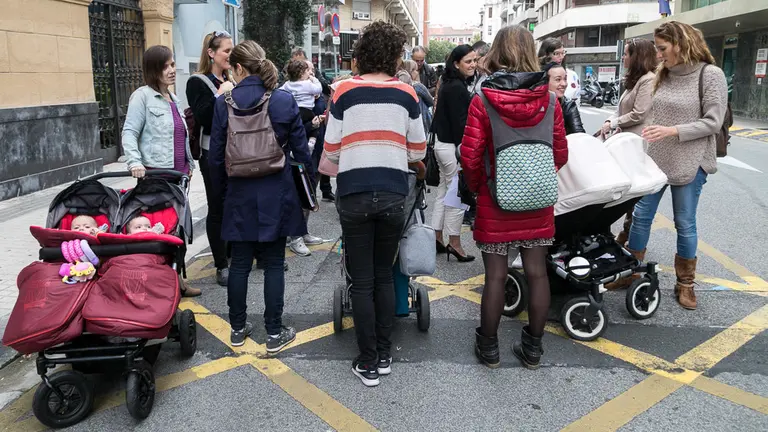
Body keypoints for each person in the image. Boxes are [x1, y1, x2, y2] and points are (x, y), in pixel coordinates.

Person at [325, 21, 426, 387]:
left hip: (353, 194)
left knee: (362, 280)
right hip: (393, 194)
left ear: (362, 53)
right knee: (385, 274)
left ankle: (367, 361)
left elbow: (332, 151)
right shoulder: (407, 94)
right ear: (395, 54)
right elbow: (417, 150)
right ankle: (384, 354)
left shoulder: (342, 92)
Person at [461, 25, 568, 369]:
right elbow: (561, 154)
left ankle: (489, 347)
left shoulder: (483, 98)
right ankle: (533, 349)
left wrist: (481, 188)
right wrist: (534, 176)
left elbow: (471, 155)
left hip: (496, 199)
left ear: (497, 52)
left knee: (495, 276)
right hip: (538, 199)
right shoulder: (550, 100)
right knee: (537, 273)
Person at [209, 40, 315, 350]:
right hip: (276, 191)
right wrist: (306, 183)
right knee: (272, 262)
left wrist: (224, 192)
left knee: (240, 262)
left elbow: (216, 157)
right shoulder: (282, 100)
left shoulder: (222, 103)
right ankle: (273, 332)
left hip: (239, 193)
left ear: (239, 68)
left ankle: (238, 328)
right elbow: (300, 151)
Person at [627, 21, 727, 310]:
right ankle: (632, 271)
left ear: (681, 44)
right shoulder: (664, 73)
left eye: (662, 48)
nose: (658, 55)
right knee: (641, 215)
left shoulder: (711, 75)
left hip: (691, 160)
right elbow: (651, 113)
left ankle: (685, 284)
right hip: (657, 158)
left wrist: (672, 131)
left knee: (684, 223)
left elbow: (713, 122)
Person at [122, 45, 200, 297]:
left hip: (179, 178)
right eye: (165, 66)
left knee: (178, 231)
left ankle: (177, 281)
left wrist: (189, 167)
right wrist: (134, 162)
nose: (172, 71)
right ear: (153, 70)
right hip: (154, 178)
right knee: (156, 233)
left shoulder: (173, 99)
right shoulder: (142, 97)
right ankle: (157, 284)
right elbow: (130, 132)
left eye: (173, 65)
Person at [186, 30, 235, 287]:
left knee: (234, 203)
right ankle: (220, 264)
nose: (230, 54)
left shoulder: (231, 79)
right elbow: (205, 118)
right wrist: (220, 94)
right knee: (217, 206)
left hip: (236, 153)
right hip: (212, 155)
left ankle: (232, 252)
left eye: (231, 50)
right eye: (226, 50)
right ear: (211, 53)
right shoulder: (197, 82)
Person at [601, 38, 657, 248]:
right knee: (625, 192)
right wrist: (609, 121)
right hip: (624, 142)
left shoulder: (649, 80)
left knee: (633, 193)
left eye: (626, 54)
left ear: (637, 56)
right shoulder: (636, 80)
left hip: (636, 144)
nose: (623, 57)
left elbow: (639, 113)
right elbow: (621, 108)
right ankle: (625, 232)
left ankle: (628, 234)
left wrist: (614, 122)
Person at [431, 45, 478, 262]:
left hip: (442, 145)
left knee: (443, 192)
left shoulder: (448, 83)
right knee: (457, 196)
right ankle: (455, 244)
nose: (473, 65)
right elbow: (461, 124)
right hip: (453, 147)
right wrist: (466, 152)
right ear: (456, 63)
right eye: (468, 61)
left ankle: (438, 238)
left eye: (474, 61)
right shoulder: (457, 87)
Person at [281, 59, 326, 257]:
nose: (312, 73)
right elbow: (295, 128)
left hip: (312, 148)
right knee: (299, 188)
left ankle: (303, 231)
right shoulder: (293, 96)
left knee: (310, 187)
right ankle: (295, 236)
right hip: (298, 148)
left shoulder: (300, 90)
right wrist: (313, 125)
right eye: (309, 70)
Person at [400, 59, 433, 134]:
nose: (417, 72)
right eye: (414, 70)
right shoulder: (417, 86)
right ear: (408, 71)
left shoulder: (401, 86)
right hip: (422, 122)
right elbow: (431, 101)